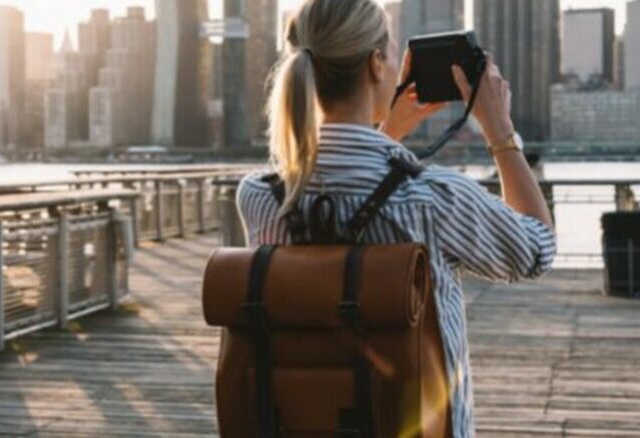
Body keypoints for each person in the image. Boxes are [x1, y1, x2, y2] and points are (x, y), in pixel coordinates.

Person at [236, 0, 556, 435]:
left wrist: (386, 131)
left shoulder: (261, 196)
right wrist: (500, 132)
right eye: (389, 48)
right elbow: (535, 250)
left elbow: (342, 202)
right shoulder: (432, 196)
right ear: (375, 63)